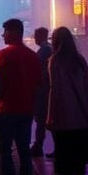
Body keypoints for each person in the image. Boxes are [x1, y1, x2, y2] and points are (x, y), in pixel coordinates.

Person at [0, 18, 43, 175]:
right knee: (24, 152)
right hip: (26, 111)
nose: (2, 35)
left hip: (6, 110)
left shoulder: (4, 54)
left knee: (4, 153)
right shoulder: (32, 56)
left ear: (13, 32)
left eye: (5, 32)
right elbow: (38, 86)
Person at [46, 26, 88, 175]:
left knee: (64, 157)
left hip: (63, 117)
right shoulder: (80, 60)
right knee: (79, 156)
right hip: (80, 116)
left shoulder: (55, 61)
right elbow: (87, 88)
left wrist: (50, 115)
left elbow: (54, 90)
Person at [30, 26, 53, 157]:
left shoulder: (43, 51)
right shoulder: (49, 49)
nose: (34, 39)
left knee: (41, 119)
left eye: (36, 36)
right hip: (46, 89)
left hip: (43, 90)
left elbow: (36, 69)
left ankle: (38, 146)